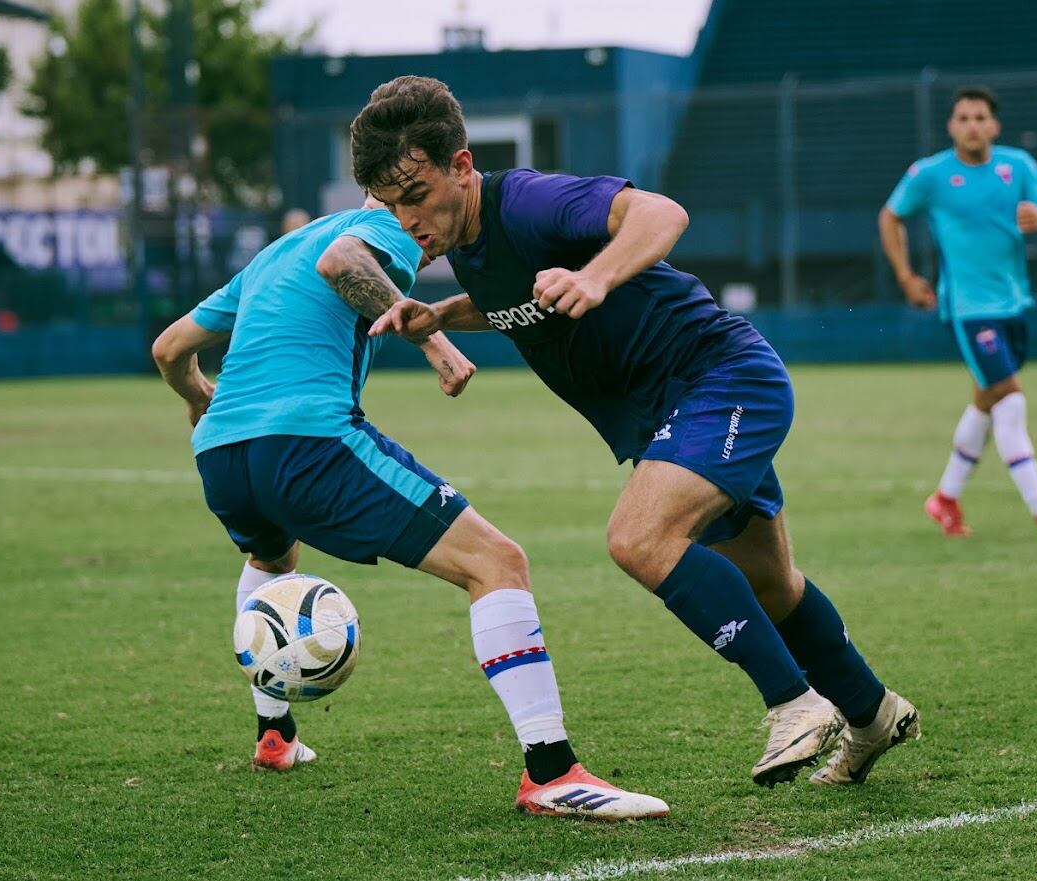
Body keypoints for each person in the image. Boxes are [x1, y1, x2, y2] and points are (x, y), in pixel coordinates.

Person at [353, 75, 919, 787]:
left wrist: (597, 278)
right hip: (674, 412)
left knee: (639, 538)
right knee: (770, 585)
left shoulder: (525, 200)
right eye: (389, 202)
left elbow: (660, 213)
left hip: (720, 378)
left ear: (461, 166)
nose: (406, 218)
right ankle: (872, 713)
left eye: (414, 195)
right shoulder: (466, 244)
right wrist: (440, 315)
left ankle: (794, 703)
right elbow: (509, 300)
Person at [150, 204, 667, 819]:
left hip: (221, 459)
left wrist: (201, 398)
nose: (430, 245)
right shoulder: (388, 224)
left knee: (272, 554)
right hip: (307, 442)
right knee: (496, 562)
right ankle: (552, 774)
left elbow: (170, 348)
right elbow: (345, 263)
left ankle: (275, 736)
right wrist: (437, 343)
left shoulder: (275, 252)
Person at [879, 86, 1037, 540]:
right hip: (969, 309)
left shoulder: (1018, 167)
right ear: (952, 126)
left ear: (994, 125)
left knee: (986, 401)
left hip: (1014, 302)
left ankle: (945, 499)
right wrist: (907, 278)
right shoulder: (930, 174)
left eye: (980, 118)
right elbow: (890, 216)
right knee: (1009, 397)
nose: (972, 125)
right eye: (963, 118)